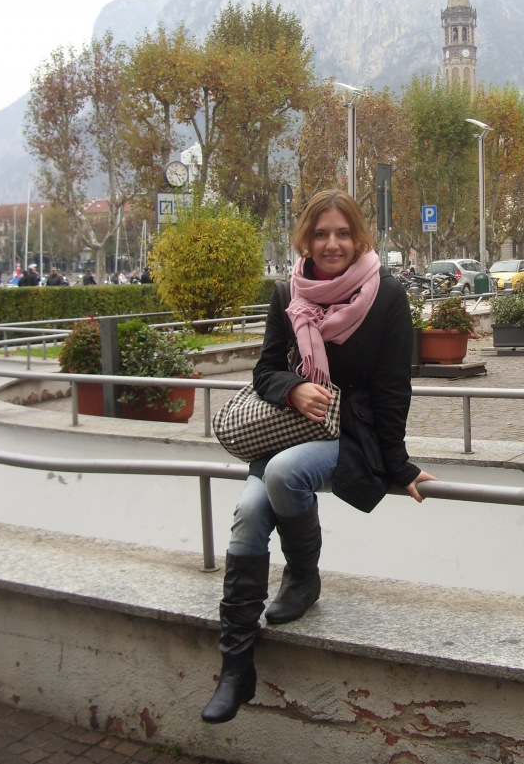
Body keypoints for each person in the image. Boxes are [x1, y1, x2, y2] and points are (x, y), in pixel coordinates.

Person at [201, 189, 436, 725]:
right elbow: (265, 371)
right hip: (292, 427)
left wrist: (398, 464)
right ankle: (235, 667)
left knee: (285, 474)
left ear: (359, 238)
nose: (333, 244)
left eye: (343, 233)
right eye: (322, 233)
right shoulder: (289, 293)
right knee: (247, 514)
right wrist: (294, 389)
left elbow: (393, 388)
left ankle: (302, 576)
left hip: (352, 433)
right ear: (305, 239)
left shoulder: (385, 295)